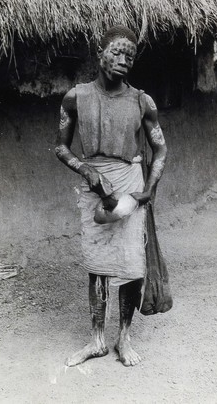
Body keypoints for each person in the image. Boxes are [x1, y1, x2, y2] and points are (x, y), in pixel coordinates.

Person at [55, 25, 167, 367]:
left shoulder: (141, 101)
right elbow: (61, 146)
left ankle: (124, 338)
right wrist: (86, 170)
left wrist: (147, 190)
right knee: (97, 264)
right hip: (95, 188)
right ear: (100, 52)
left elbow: (159, 150)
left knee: (132, 265)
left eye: (130, 56)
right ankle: (98, 340)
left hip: (130, 186)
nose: (123, 61)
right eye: (116, 52)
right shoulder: (77, 97)